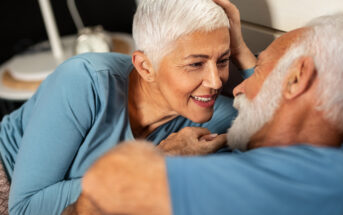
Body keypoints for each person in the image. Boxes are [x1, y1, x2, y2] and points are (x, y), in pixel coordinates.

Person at [62, 3, 343, 215]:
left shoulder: (278, 177)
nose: (234, 87)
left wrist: (165, 156)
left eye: (257, 69)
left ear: (296, 79)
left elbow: (110, 181)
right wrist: (242, 53)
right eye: (197, 63)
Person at [0, 0, 256, 214]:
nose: (215, 81)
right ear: (145, 67)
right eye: (195, 64)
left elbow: (282, 138)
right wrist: (157, 161)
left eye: (223, 61)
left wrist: (240, 50)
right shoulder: (84, 80)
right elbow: (25, 209)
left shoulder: (214, 115)